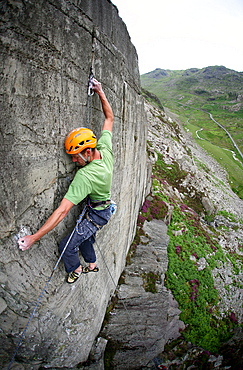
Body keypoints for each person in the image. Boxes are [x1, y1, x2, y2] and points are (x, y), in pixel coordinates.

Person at [18, 79, 115, 284]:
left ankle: (76, 269)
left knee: (67, 245)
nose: (73, 160)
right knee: (86, 237)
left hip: (97, 215)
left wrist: (34, 238)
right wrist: (100, 91)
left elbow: (62, 211)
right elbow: (109, 118)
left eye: (75, 155)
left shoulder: (86, 175)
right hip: (103, 210)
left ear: (88, 152)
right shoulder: (105, 149)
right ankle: (93, 265)